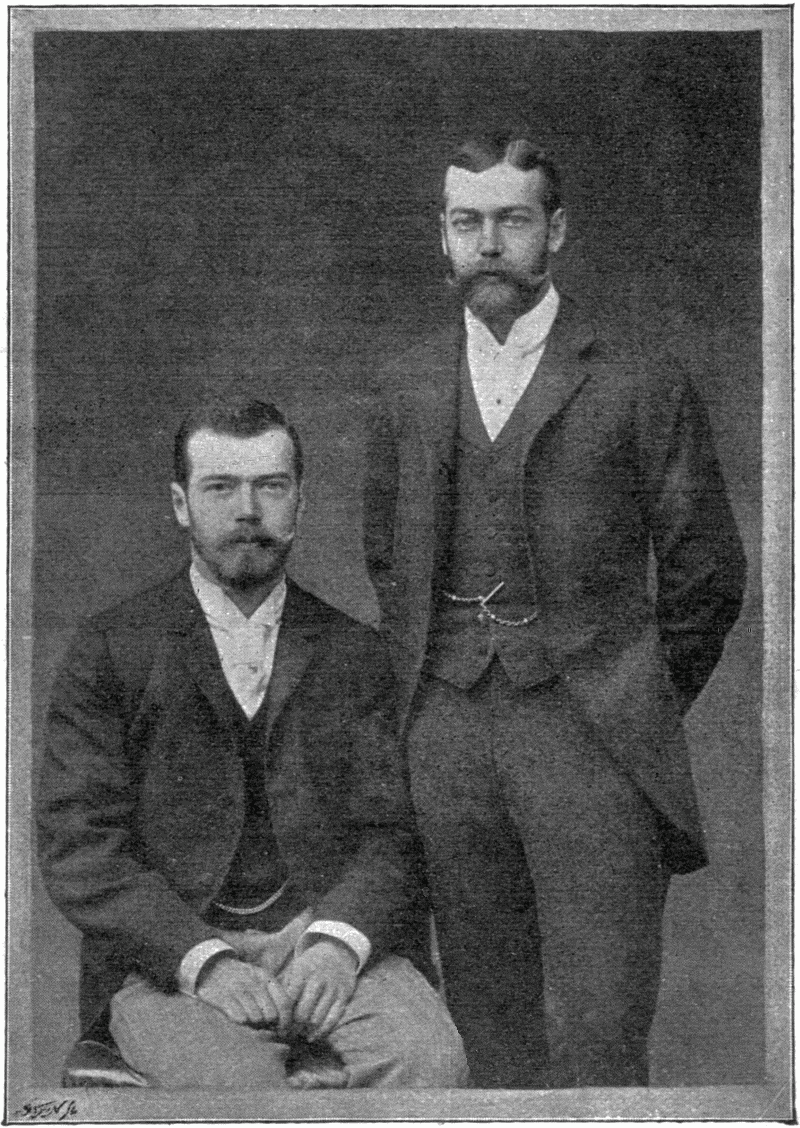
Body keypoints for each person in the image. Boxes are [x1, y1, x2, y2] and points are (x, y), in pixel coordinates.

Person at [363, 132, 747, 1089]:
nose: (489, 244)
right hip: (447, 740)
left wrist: (629, 695)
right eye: (467, 223)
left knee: (600, 1035)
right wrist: (435, 699)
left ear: (557, 230)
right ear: (443, 235)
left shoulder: (639, 379)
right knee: (485, 1033)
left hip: (595, 741)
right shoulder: (407, 384)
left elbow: (706, 576)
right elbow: (389, 561)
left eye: (513, 220)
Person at [38, 396, 467, 1091]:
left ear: (300, 501)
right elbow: (80, 846)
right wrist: (203, 961)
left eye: (270, 486)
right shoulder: (111, 649)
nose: (248, 511)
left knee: (428, 1063)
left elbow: (396, 834)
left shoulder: (357, 654)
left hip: (324, 943)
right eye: (220, 488)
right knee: (238, 1091)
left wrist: (337, 943)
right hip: (169, 958)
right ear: (180, 504)